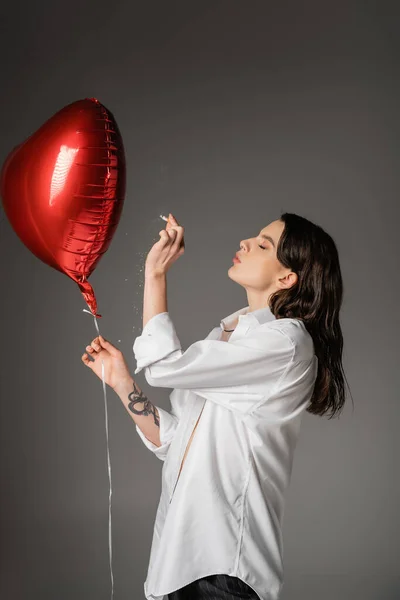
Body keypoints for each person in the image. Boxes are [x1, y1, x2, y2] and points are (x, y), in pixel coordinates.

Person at [82, 212, 350, 600]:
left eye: (263, 244)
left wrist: (156, 274)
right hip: (177, 563)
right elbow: (176, 444)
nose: (245, 243)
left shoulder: (285, 343)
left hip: (224, 569)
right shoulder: (229, 335)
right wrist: (122, 382)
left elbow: (164, 367)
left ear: (286, 278)